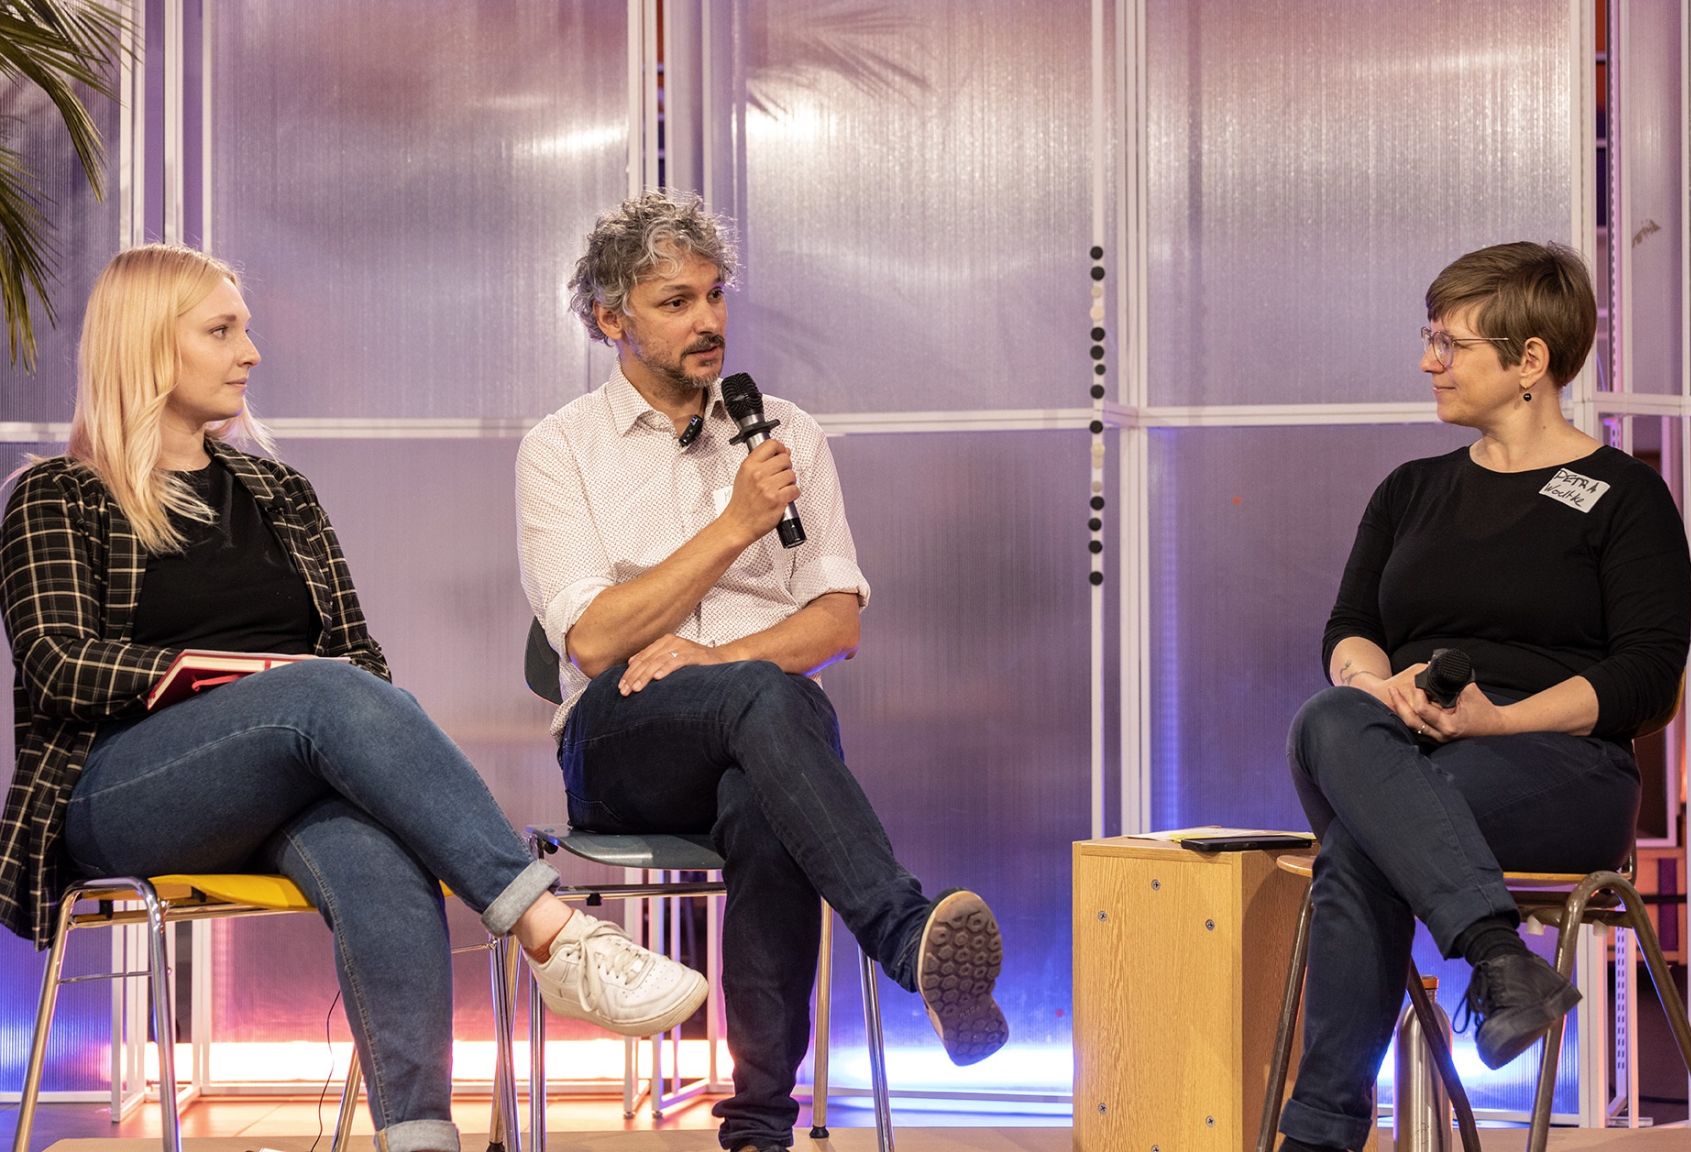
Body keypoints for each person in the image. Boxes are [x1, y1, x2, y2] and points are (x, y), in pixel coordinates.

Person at [0, 244, 709, 1152]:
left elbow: (359, 659)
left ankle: (419, 1139)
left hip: (288, 774)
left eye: (244, 329)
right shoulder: (60, 495)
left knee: (386, 861)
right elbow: (59, 664)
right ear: (146, 349)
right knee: (319, 694)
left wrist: (301, 698)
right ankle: (551, 928)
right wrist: (228, 679)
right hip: (126, 791)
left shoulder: (281, 492)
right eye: (221, 331)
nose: (250, 352)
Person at [516, 189, 1008, 1152]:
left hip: (766, 735)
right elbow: (594, 638)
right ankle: (903, 934)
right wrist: (735, 524)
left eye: (714, 294)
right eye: (673, 302)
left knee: (767, 793)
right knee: (770, 703)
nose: (707, 321)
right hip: (622, 740)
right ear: (611, 319)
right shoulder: (560, 448)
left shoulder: (785, 431)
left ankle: (756, 1130)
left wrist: (721, 655)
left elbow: (837, 622)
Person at [1277, 241, 1691, 1152]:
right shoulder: (1411, 490)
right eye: (1430, 338)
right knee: (1328, 716)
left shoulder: (1625, 498)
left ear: (1529, 362)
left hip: (1559, 768)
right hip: (1405, 745)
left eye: (1449, 342)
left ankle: (1318, 1138)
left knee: (1365, 845)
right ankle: (1500, 958)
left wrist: (1498, 718)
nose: (1430, 360)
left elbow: (1647, 680)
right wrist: (1373, 681)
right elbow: (1347, 628)